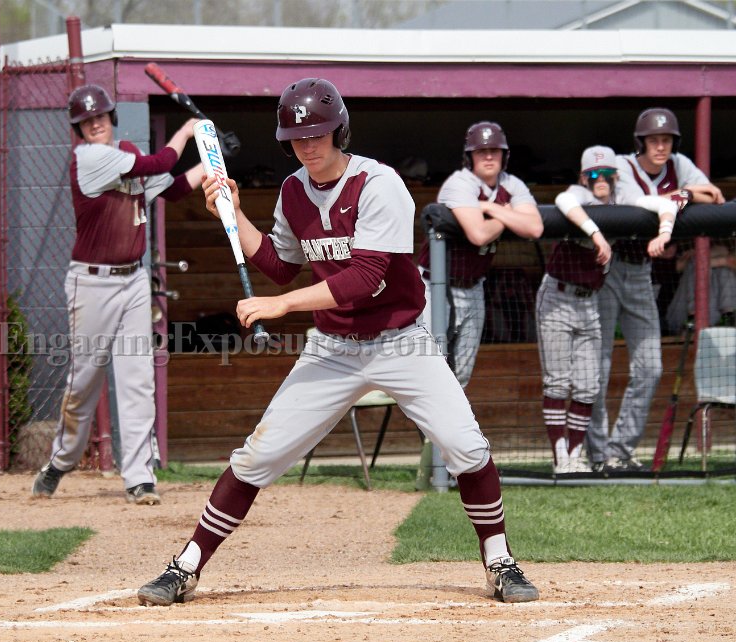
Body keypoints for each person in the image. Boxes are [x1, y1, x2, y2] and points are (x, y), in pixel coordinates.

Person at [136, 78, 539, 607]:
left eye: (318, 134)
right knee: (257, 456)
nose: (308, 145)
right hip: (333, 348)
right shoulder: (292, 190)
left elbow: (365, 277)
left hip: (401, 341)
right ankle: (186, 566)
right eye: (297, 137)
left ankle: (500, 562)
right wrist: (234, 216)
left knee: (466, 446)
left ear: (339, 130)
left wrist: (282, 306)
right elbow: (281, 265)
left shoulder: (379, 183)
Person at [31, 84, 203, 505]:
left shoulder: (125, 152)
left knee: (137, 380)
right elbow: (159, 161)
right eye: (86, 120)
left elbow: (172, 187)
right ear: (79, 129)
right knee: (84, 381)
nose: (95, 124)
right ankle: (60, 461)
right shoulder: (88, 158)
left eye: (101, 116)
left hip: (133, 280)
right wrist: (188, 131)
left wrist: (213, 161)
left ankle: (140, 478)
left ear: (112, 117)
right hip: (92, 283)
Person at [587, 107, 726, 473]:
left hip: (641, 272)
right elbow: (642, 206)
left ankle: (621, 450)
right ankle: (597, 455)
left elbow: (714, 196)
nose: (661, 146)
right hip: (607, 267)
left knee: (650, 366)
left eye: (666, 140)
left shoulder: (679, 165)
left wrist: (688, 191)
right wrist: (689, 194)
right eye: (654, 140)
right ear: (641, 143)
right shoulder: (621, 165)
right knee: (598, 366)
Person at [417, 121, 543, 387]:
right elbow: (479, 234)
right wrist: (507, 214)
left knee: (461, 375)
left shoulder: (511, 184)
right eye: (481, 151)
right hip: (435, 287)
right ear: (469, 156)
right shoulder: (459, 183)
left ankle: (451, 417)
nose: (488, 156)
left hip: (474, 287)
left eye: (494, 151)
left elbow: (534, 227)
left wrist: (491, 209)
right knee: (431, 372)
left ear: (504, 155)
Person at [540, 146, 617, 474]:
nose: (601, 180)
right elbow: (564, 200)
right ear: (584, 177)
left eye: (607, 174)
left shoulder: (620, 200)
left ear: (615, 177)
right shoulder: (577, 194)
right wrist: (597, 235)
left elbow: (652, 203)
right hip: (558, 295)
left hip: (590, 302)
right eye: (594, 174)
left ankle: (575, 455)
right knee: (557, 382)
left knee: (588, 384)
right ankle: (561, 458)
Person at [664, 242, 736, 334]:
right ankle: (693, 317)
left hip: (713, 315)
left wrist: (698, 253)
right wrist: (724, 260)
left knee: (723, 269)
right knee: (696, 263)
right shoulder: (659, 260)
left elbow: (724, 252)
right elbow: (680, 265)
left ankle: (728, 316)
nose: (670, 249)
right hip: (681, 315)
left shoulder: (717, 250)